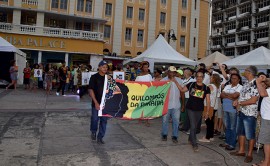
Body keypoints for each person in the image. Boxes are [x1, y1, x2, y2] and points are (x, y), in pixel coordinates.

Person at [176, 69, 211, 152]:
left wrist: (207, 112)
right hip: (190, 108)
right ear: (195, 77)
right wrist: (175, 81)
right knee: (193, 126)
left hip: (199, 109)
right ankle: (194, 143)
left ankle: (190, 139)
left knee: (195, 126)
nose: (199, 78)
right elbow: (181, 90)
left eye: (201, 77)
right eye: (197, 77)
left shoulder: (206, 88)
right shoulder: (191, 84)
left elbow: (208, 101)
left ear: (203, 78)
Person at [231, 66, 259, 163]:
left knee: (250, 134)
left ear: (250, 73)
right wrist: (237, 101)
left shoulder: (256, 83)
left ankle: (250, 154)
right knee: (241, 132)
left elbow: (254, 100)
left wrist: (240, 103)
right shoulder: (247, 83)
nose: (244, 72)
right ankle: (241, 151)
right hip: (241, 111)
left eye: (245, 71)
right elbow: (242, 97)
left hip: (250, 113)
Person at [161, 66, 184, 143]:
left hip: (177, 105)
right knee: (165, 120)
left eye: (174, 72)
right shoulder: (163, 81)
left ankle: (175, 136)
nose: (173, 74)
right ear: (168, 72)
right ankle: (164, 134)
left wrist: (183, 104)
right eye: (171, 72)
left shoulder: (179, 80)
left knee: (176, 121)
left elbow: (182, 92)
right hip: (166, 105)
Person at [219, 73, 242, 150]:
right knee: (226, 126)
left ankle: (232, 144)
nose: (233, 80)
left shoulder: (240, 87)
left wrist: (227, 95)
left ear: (238, 79)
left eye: (235, 78)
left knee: (232, 127)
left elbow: (235, 96)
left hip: (233, 109)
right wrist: (230, 96)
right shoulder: (228, 86)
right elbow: (221, 95)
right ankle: (227, 142)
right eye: (232, 78)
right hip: (225, 108)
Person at [89, 60, 109, 144]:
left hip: (106, 104)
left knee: (104, 121)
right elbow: (90, 90)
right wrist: (96, 102)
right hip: (96, 103)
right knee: (95, 119)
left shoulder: (108, 78)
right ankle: (93, 131)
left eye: (106, 67)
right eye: (103, 67)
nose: (105, 68)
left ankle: (100, 137)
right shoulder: (94, 77)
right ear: (99, 67)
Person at [199, 73, 221, 142]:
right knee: (211, 121)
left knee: (208, 122)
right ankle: (210, 136)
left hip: (209, 106)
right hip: (213, 106)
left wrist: (193, 92)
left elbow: (203, 93)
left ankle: (207, 137)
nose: (210, 78)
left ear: (213, 79)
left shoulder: (210, 86)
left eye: (211, 77)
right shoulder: (216, 86)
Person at [254, 75, 270, 166]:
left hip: (268, 119)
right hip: (267, 118)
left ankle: (266, 162)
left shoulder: (268, 91)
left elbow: (262, 94)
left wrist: (258, 81)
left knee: (267, 142)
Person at [135, 61, 153, 126]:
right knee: (141, 106)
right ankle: (139, 118)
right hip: (141, 93)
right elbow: (136, 85)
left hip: (148, 93)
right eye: (145, 67)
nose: (146, 68)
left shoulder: (149, 75)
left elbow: (152, 84)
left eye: (147, 67)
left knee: (147, 107)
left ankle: (147, 120)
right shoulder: (139, 76)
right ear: (142, 68)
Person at [179, 67, 196, 132]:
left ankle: (185, 126)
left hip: (188, 98)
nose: (183, 73)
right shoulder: (183, 80)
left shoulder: (192, 81)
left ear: (187, 73)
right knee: (183, 111)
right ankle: (183, 125)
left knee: (187, 113)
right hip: (183, 97)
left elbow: (193, 92)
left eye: (184, 72)